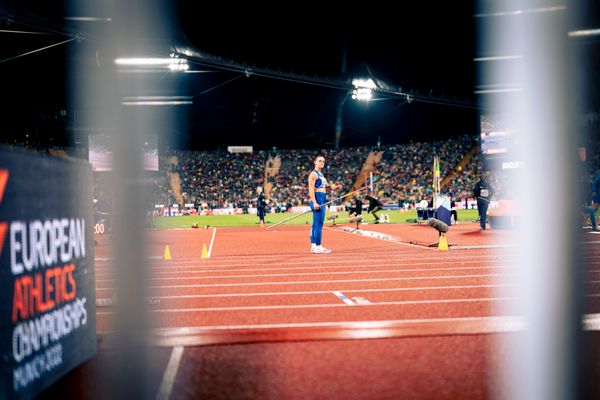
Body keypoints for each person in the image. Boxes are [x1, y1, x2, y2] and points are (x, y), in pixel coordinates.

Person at [308, 155, 342, 254]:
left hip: (321, 199)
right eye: (320, 161)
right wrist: (314, 202)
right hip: (318, 199)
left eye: (323, 161)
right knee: (319, 224)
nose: (322, 162)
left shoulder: (321, 175)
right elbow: (311, 189)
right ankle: (318, 246)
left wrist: (334, 188)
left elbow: (325, 187)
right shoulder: (313, 174)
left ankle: (314, 246)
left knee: (315, 224)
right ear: (315, 162)